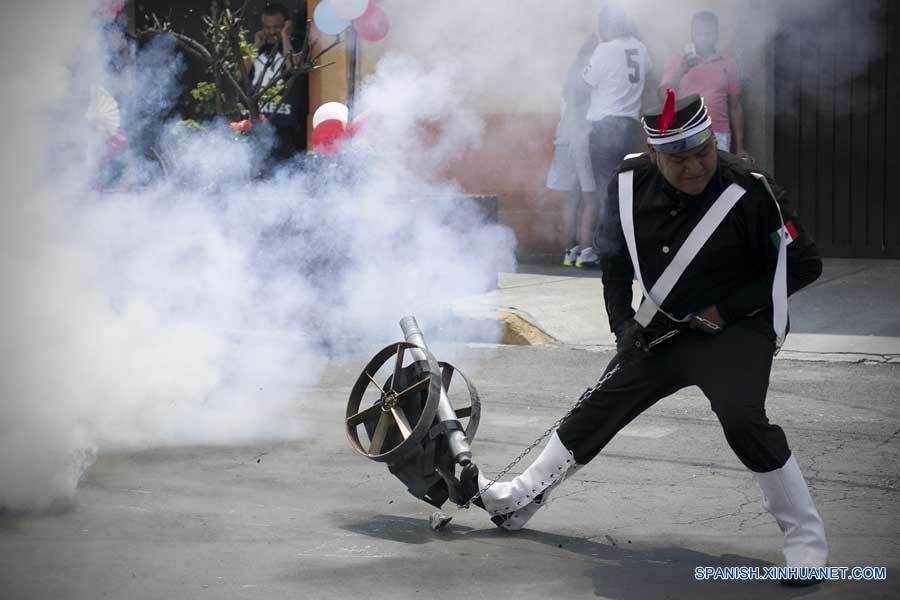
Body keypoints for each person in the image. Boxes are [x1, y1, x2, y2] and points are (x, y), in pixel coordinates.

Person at [462, 92, 828, 584]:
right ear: (655, 155)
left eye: (703, 152)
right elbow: (612, 258)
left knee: (743, 420)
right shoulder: (628, 184)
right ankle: (515, 502)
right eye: (680, 159)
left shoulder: (750, 189)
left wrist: (727, 309)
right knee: (598, 408)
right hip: (663, 325)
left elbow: (805, 264)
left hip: (737, 327)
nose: (697, 166)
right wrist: (622, 325)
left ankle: (805, 542)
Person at [577, 6, 648, 268]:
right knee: (628, 187)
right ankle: (629, 247)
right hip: (630, 125)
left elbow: (585, 83)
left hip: (606, 126)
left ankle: (610, 249)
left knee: (607, 190)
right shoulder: (641, 49)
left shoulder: (604, 50)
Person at [659, 11, 748, 159]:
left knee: (719, 179)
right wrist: (681, 71)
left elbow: (736, 106)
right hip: (685, 131)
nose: (704, 38)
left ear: (716, 34)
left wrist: (740, 147)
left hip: (719, 134)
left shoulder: (728, 62)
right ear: (692, 34)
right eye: (699, 34)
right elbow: (663, 97)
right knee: (689, 178)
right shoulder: (677, 60)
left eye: (708, 34)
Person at [546, 34, 598, 267]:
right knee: (590, 198)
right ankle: (587, 252)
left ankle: (570, 253)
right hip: (583, 137)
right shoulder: (591, 78)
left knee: (570, 201)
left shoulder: (569, 79)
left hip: (563, 138)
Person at [248, 2, 307, 159]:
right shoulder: (257, 47)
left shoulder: (295, 45)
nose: (272, 31)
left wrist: (285, 37)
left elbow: (293, 67)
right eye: (267, 27)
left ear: (286, 25)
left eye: (277, 27)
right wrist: (255, 46)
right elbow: (240, 74)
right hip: (259, 125)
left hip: (288, 128)